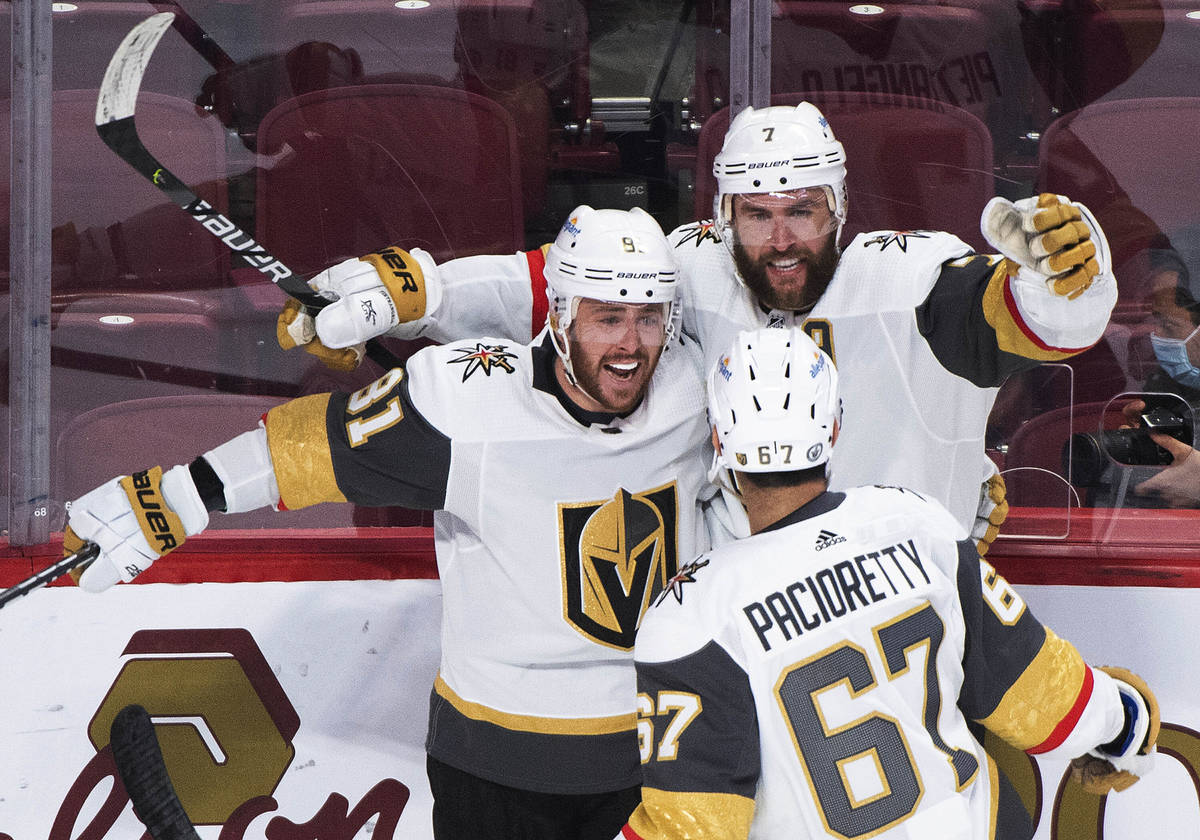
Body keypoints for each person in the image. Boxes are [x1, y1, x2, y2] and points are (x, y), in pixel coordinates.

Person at [62, 207, 714, 840]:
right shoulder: (468, 404)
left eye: (648, 318)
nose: (630, 343)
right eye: (607, 318)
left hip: (653, 762)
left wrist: (417, 291)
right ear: (563, 315)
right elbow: (314, 446)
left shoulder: (694, 387)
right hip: (498, 771)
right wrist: (174, 498)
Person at [278, 101, 1118, 554]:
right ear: (721, 216)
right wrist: (411, 291)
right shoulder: (695, 267)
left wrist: (1070, 277)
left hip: (907, 622)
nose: (782, 239)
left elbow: (1043, 323)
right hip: (730, 615)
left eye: (803, 211)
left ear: (843, 208)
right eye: (757, 215)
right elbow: (541, 290)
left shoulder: (916, 280)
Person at [616, 326, 1159, 840]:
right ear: (832, 427)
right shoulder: (916, 520)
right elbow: (1043, 697)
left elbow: (691, 826)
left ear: (718, 438)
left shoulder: (690, 616)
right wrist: (1125, 722)